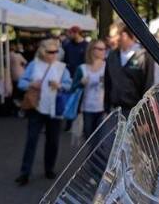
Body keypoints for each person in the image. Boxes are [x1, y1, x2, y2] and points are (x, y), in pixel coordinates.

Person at [15, 39, 72, 186]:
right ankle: (25, 173)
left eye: (56, 51)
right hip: (36, 108)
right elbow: (21, 83)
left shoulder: (62, 68)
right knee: (31, 141)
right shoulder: (34, 65)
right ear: (42, 51)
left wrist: (60, 85)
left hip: (54, 109)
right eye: (50, 51)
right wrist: (31, 84)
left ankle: (49, 168)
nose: (54, 54)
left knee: (53, 142)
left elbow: (69, 84)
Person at [104, 24, 154, 117]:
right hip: (115, 111)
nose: (110, 40)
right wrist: (106, 108)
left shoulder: (143, 56)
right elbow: (107, 83)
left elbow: (148, 86)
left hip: (135, 112)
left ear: (124, 35)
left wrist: (145, 116)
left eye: (113, 36)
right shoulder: (112, 55)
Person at [71, 40, 107, 139]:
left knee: (101, 141)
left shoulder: (107, 67)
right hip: (87, 109)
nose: (103, 51)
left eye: (104, 49)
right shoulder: (82, 68)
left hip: (103, 109)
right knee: (89, 139)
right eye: (100, 49)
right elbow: (72, 89)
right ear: (92, 50)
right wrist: (81, 83)